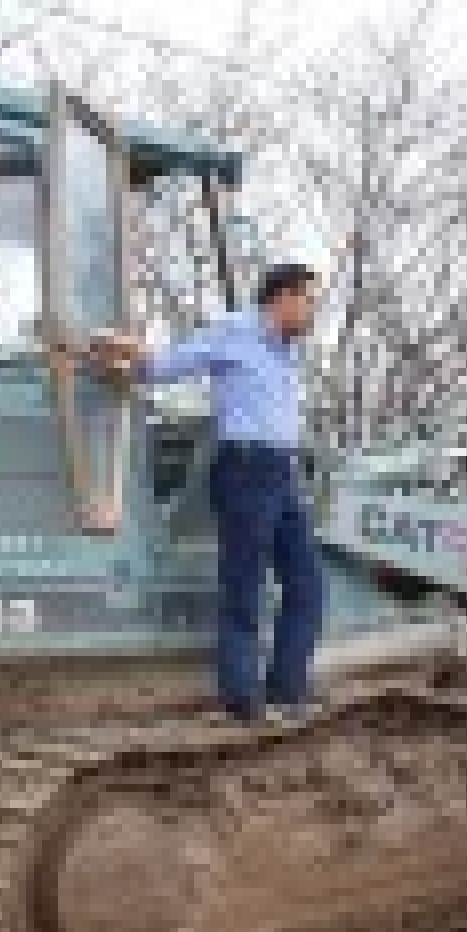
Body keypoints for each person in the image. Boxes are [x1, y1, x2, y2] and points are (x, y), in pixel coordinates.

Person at [93, 263, 325, 723]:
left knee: (308, 585)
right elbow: (165, 365)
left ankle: (287, 692)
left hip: (283, 472)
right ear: (282, 297)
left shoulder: (287, 353)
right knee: (244, 587)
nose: (313, 311)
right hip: (245, 469)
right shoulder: (234, 332)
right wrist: (121, 353)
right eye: (309, 299)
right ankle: (242, 701)